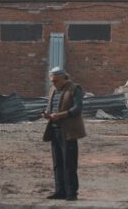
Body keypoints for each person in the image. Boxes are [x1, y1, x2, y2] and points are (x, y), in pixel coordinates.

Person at [42, 67, 86, 201]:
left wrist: (60, 116)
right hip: (54, 130)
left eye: (55, 80)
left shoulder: (74, 88)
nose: (53, 83)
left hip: (68, 131)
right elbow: (50, 107)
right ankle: (59, 191)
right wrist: (47, 114)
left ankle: (71, 193)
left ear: (63, 77)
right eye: (51, 81)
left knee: (69, 163)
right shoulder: (53, 90)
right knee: (57, 163)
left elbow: (77, 108)